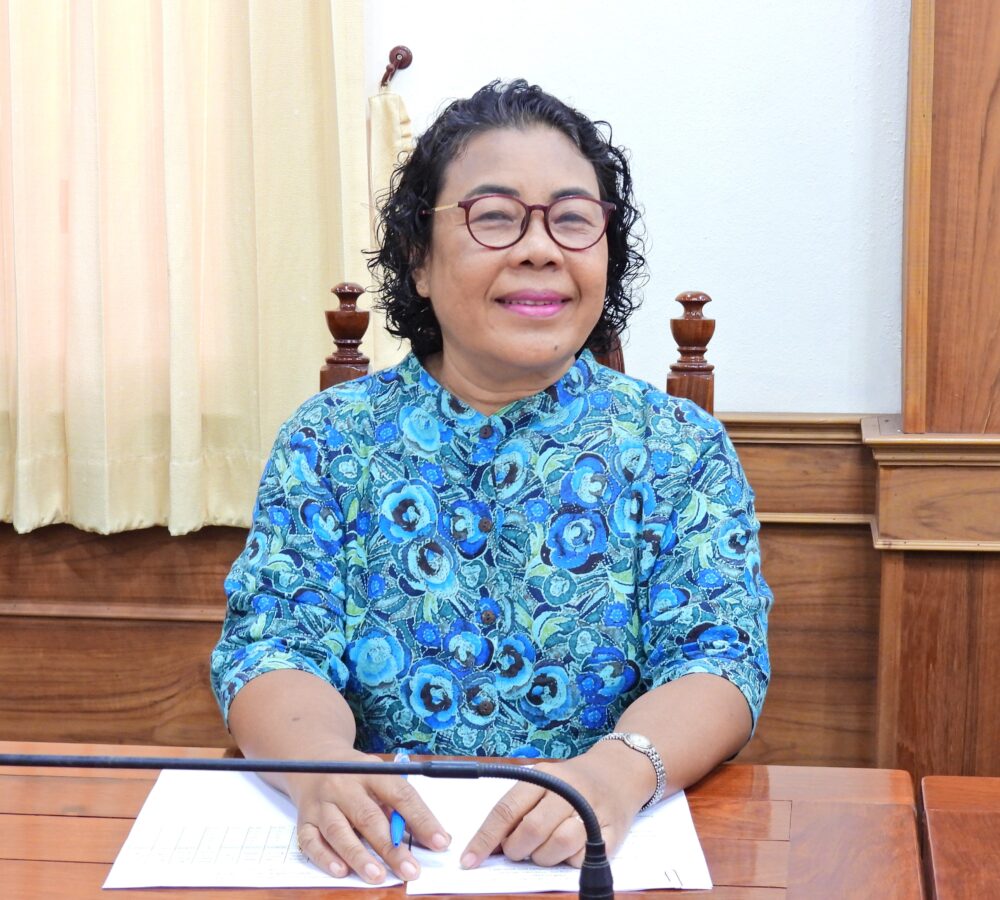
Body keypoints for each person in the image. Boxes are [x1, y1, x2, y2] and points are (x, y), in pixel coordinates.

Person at [210, 78, 772, 886]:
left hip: (595, 864)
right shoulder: (332, 438)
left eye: (572, 219)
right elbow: (273, 644)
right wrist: (320, 767)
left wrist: (615, 775)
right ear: (419, 259)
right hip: (387, 862)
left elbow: (718, 658)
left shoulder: (678, 447)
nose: (540, 249)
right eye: (496, 217)